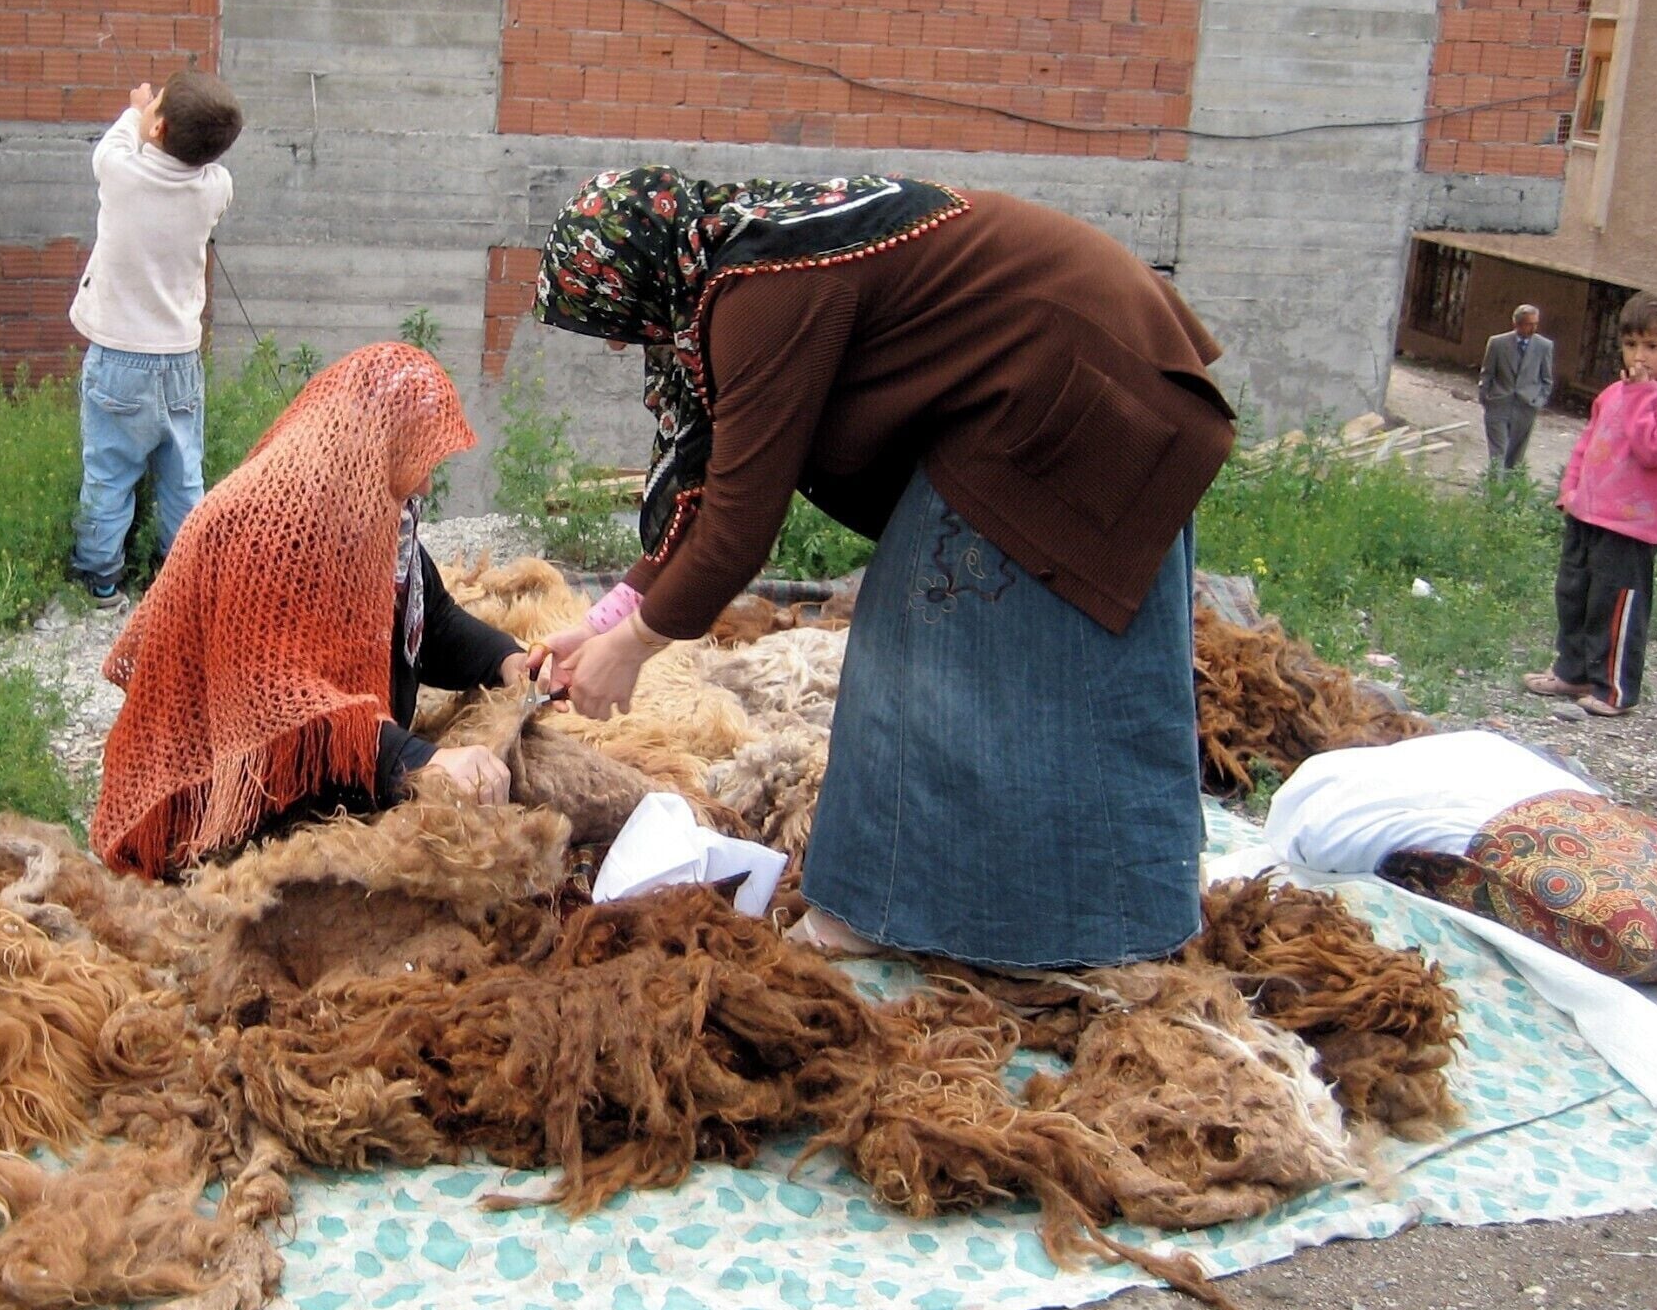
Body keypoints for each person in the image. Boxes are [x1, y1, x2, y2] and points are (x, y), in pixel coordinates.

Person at [532, 168, 1236, 969]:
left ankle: (884, 912)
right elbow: (707, 483)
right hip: (1086, 378)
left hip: (1067, 400)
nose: (620, 340)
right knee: (1064, 677)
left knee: (915, 656)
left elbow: (738, 525)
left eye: (608, 314)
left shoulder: (761, 290)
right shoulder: (744, 252)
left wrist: (635, 646)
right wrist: (600, 624)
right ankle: (1111, 911)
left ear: (641, 272)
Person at [92, 342, 531, 879]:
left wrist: (509, 660)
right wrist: (420, 760)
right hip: (215, 804)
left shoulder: (367, 509)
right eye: (418, 460)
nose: (424, 483)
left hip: (302, 770)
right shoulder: (265, 528)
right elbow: (275, 704)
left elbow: (428, 620)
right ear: (374, 444)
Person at [68, 70, 245, 608]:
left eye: (155, 108)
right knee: (182, 475)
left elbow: (113, 147)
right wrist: (163, 121)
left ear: (159, 126)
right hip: (179, 360)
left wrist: (134, 110)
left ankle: (101, 582)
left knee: (109, 474)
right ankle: (185, 582)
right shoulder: (215, 187)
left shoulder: (122, 173)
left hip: (118, 359)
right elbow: (197, 162)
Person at [1523, 291, 1657, 718]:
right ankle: (1573, 670)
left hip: (1631, 525)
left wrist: (1641, 395)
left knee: (1614, 605)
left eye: (1654, 347)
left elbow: (1653, 448)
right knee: (1574, 595)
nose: (1640, 356)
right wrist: (1571, 489)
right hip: (1588, 513)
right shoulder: (1615, 392)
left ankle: (1615, 689)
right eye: (1632, 344)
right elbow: (1588, 443)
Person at [1478, 304, 1556, 473]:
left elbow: (1546, 379)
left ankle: (1508, 493)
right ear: (1517, 324)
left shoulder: (1544, 346)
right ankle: (1494, 492)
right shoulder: (1498, 343)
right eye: (1529, 324)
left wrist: (1538, 401)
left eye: (1536, 323)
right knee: (1497, 453)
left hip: (1526, 406)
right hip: (1499, 403)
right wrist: (1485, 397)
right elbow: (1487, 373)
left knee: (1515, 457)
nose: (1533, 328)